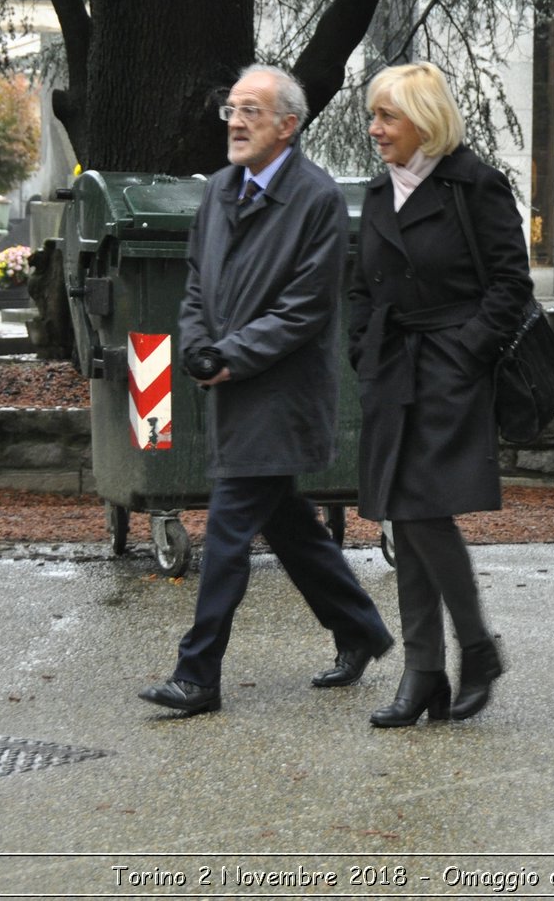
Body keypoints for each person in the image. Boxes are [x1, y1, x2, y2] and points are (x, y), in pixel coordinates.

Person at [139, 64, 394, 716]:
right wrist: (198, 344)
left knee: (226, 531)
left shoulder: (315, 199)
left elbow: (305, 309)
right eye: (232, 107)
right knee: (290, 527)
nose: (235, 119)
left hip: (279, 396)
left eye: (252, 110)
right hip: (232, 386)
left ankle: (197, 674)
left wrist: (229, 355)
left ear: (288, 125)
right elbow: (197, 282)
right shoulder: (221, 189)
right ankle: (361, 629)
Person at [348, 61, 533, 727]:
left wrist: (467, 350)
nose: (375, 128)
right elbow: (361, 284)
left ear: (425, 120)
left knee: (421, 507)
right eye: (374, 116)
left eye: (387, 117)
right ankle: (425, 669)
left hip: (450, 368)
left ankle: (474, 648)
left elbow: (513, 283)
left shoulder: (474, 184)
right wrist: (360, 341)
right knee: (403, 510)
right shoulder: (376, 193)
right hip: (392, 367)